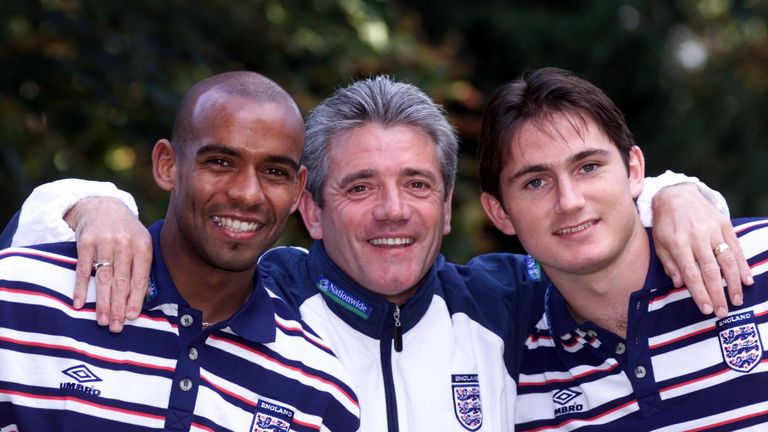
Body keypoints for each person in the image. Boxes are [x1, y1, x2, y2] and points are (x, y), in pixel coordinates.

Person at [3, 76, 751, 432]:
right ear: (311, 208)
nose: (393, 210)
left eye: (417, 184)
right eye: (360, 186)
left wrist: (676, 195)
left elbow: (589, 227)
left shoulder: (506, 304)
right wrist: (91, 200)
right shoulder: (262, 297)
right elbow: (164, 254)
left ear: (457, 206)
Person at [0, 72, 360, 431]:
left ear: (298, 191)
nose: (248, 194)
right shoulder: (23, 297)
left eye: (274, 171)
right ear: (167, 165)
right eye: (220, 162)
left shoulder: (318, 393)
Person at [478, 67, 768, 430]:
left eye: (588, 167)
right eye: (536, 182)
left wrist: (676, 190)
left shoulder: (758, 257)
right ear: (500, 212)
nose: (569, 201)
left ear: (634, 171)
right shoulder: (515, 382)